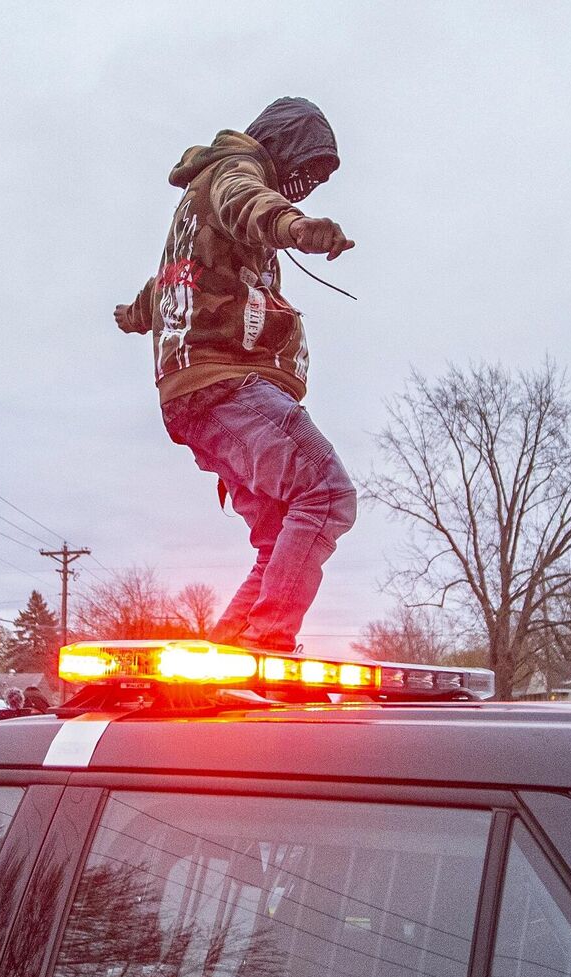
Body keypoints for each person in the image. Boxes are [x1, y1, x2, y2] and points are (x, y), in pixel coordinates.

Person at [114, 97, 357, 653]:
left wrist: (135, 317)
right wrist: (298, 228)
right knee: (325, 494)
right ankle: (269, 644)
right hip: (230, 385)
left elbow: (167, 284)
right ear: (283, 145)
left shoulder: (197, 217)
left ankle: (226, 660)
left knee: (278, 540)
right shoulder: (235, 170)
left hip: (195, 396)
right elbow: (251, 202)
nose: (310, 185)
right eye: (309, 170)